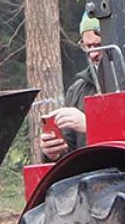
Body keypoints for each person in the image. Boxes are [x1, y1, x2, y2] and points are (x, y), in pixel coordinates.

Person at [32, 13, 101, 161]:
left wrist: (91, 125)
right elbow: (70, 150)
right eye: (88, 46)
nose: (93, 53)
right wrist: (53, 153)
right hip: (91, 176)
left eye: (99, 45)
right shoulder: (78, 90)